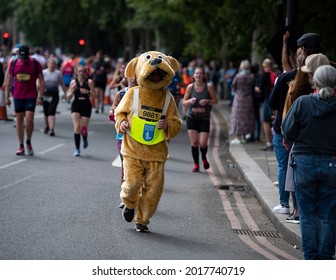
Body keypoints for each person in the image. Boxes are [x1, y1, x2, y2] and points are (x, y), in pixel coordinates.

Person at [282, 65, 336, 260]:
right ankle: (326, 258)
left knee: (307, 215)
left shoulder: (302, 103)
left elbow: (287, 130)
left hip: (304, 163)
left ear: (315, 81)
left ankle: (311, 259)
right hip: (332, 164)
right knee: (329, 214)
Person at [269, 32, 323, 215]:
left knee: (289, 169)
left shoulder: (293, 83)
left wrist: (287, 133)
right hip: (323, 145)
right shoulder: (329, 71)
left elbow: (278, 106)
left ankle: (293, 208)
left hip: (296, 135)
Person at [4, 45, 45, 156]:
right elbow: (8, 81)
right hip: (17, 95)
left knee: (29, 118)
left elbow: (41, 80)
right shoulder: (13, 63)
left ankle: (28, 141)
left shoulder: (35, 64)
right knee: (19, 120)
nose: (24, 59)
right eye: (22, 57)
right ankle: (21, 145)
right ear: (18, 55)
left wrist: (40, 96)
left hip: (31, 95)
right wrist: (7, 97)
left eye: (25, 57)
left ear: (29, 54)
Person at [182, 66, 218, 172]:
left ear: (203, 75)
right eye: (196, 73)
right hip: (191, 117)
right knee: (194, 143)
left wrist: (207, 101)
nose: (198, 75)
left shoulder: (209, 86)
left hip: (204, 118)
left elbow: (215, 101)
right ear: (193, 75)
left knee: (202, 143)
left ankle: (204, 158)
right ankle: (196, 164)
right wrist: (190, 101)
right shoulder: (190, 87)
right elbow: (184, 103)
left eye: (200, 74)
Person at [67, 65, 96, 157]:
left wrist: (87, 92)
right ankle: (77, 149)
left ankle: (84, 138)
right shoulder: (73, 82)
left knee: (83, 128)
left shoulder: (89, 82)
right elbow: (68, 96)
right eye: (79, 71)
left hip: (86, 105)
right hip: (76, 104)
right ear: (76, 72)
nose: (81, 73)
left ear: (85, 72)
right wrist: (72, 90)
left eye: (83, 71)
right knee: (77, 127)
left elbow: (95, 96)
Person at [229, 60, 255, 144]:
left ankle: (238, 137)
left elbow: (233, 87)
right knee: (247, 118)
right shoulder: (251, 76)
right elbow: (253, 87)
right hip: (248, 99)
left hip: (239, 99)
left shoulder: (238, 77)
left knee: (238, 118)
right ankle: (246, 135)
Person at [42, 58, 68, 136]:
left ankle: (51, 129)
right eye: (50, 63)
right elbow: (39, 82)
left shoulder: (58, 73)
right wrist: (39, 92)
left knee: (51, 112)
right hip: (45, 94)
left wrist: (65, 94)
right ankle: (47, 126)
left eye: (53, 64)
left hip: (54, 94)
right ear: (47, 64)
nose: (52, 65)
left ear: (55, 65)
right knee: (46, 112)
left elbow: (62, 84)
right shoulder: (44, 73)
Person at [259, 58, 277, 151]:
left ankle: (269, 142)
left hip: (267, 99)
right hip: (274, 99)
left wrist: (255, 89)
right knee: (273, 119)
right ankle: (274, 142)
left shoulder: (265, 75)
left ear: (264, 66)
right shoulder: (275, 74)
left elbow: (260, 89)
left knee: (266, 121)